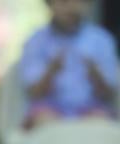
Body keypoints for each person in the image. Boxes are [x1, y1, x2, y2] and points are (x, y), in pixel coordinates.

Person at [20, 0, 119, 130]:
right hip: (49, 109)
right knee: (44, 122)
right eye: (64, 2)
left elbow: (110, 94)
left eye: (78, 2)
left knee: (101, 124)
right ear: (50, 4)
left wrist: (96, 75)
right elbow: (33, 93)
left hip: (91, 108)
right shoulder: (36, 41)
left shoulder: (102, 39)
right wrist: (51, 71)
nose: (71, 7)